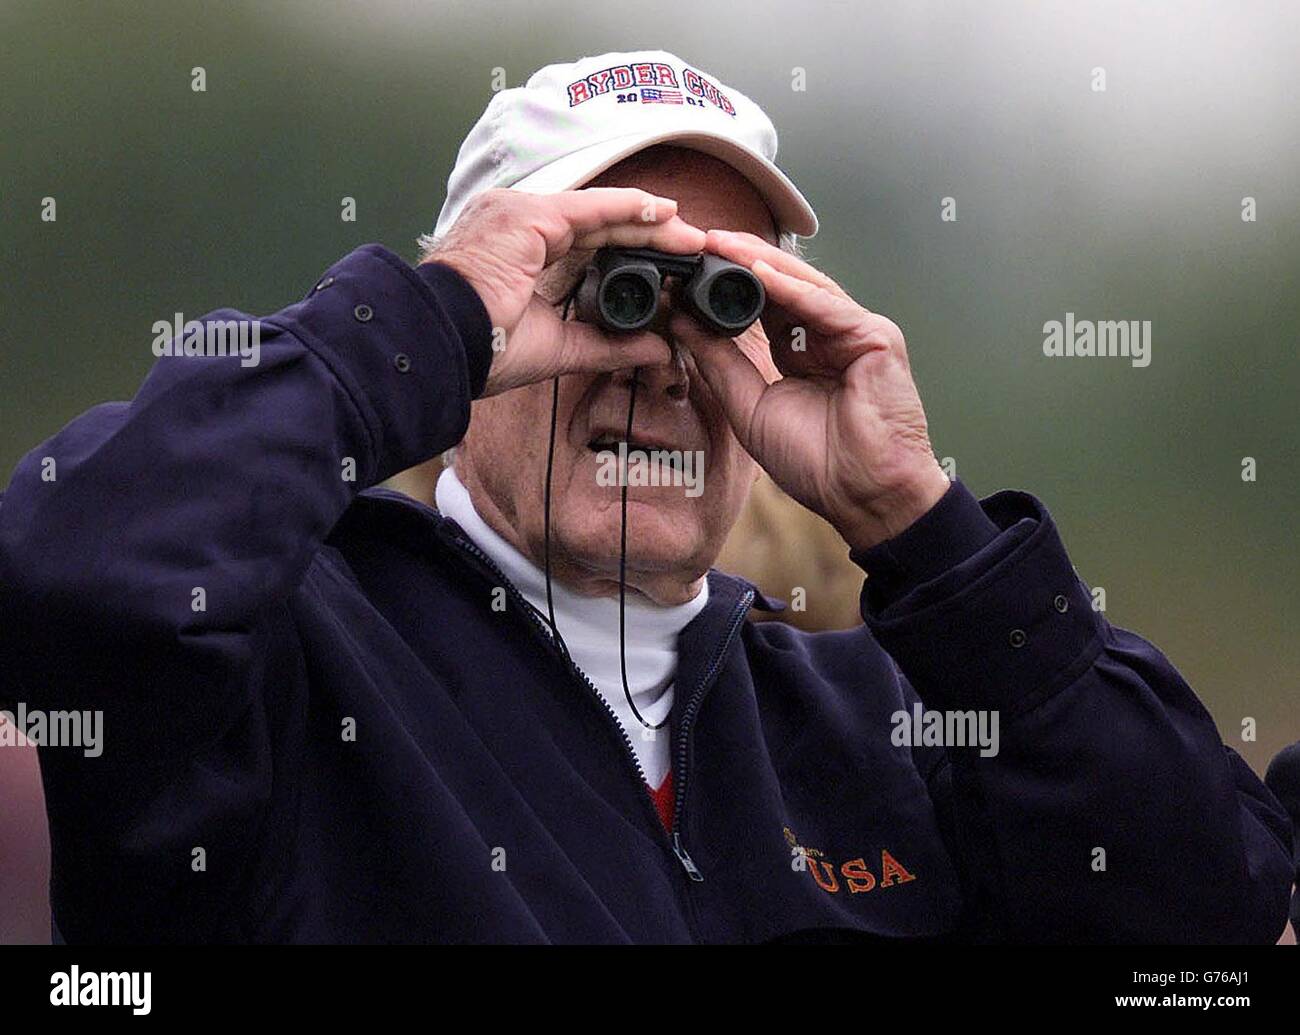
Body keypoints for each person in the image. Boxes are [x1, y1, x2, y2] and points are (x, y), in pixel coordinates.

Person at [0, 49, 1290, 943]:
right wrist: (417, 331)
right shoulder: (297, 677)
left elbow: (1205, 922)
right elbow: (75, 576)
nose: (657, 368)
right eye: (602, 287)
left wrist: (924, 528)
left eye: (719, 300)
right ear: (479, 328)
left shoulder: (880, 721)